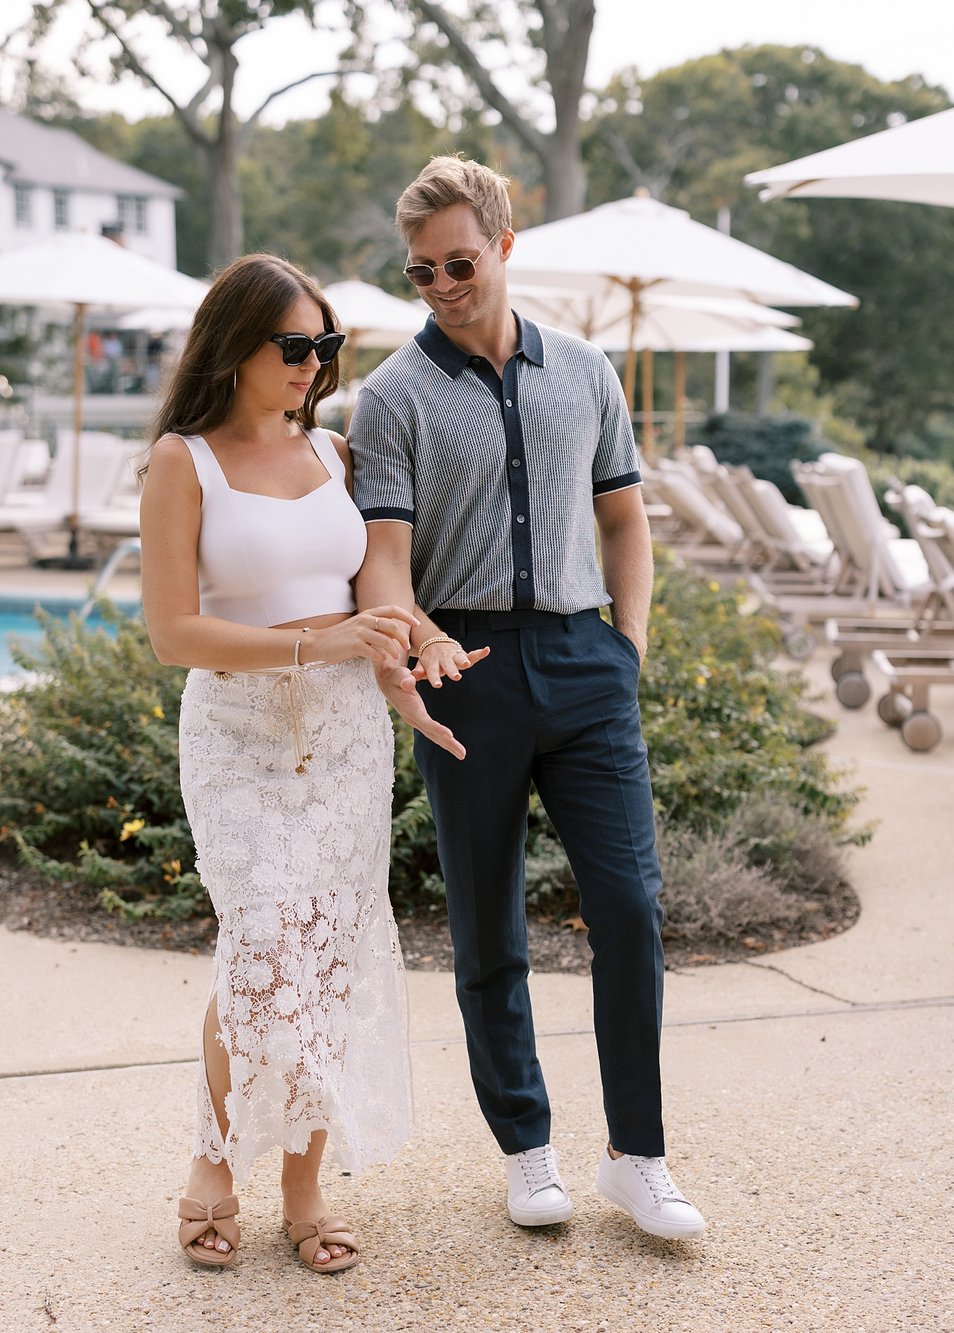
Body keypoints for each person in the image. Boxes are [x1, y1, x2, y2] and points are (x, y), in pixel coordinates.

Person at [349, 157, 706, 1242]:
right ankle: (527, 1148)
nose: (444, 285)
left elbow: (625, 520)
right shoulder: (389, 398)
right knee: (487, 926)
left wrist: (627, 649)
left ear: (505, 246)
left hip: (585, 661)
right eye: (421, 273)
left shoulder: (588, 373)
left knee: (632, 910)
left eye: (460, 263)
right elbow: (384, 564)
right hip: (466, 671)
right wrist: (419, 644)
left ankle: (636, 1156)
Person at [140, 252, 473, 1272]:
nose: (314, 363)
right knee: (261, 944)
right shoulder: (181, 460)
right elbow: (172, 632)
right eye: (296, 345)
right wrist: (315, 644)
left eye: (326, 346)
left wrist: (404, 664)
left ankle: (301, 1184)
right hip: (236, 736)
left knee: (323, 961)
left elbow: (372, 596)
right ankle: (212, 1163)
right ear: (235, 345)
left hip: (343, 741)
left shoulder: (333, 454)